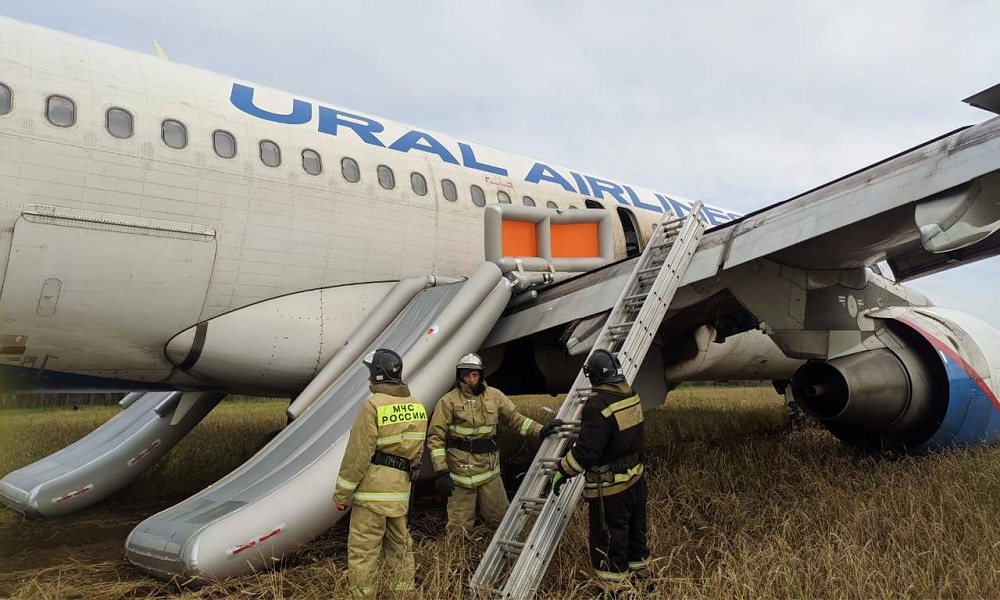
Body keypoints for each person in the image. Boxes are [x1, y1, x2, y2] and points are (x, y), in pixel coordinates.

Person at [427, 352, 563, 536]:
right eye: (467, 375)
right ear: (460, 376)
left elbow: (516, 420)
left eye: (475, 374)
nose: (471, 379)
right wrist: (441, 471)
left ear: (481, 375)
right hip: (460, 472)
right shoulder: (448, 401)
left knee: (500, 519)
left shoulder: (495, 396)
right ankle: (460, 558)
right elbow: (436, 436)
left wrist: (540, 430)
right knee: (458, 527)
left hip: (489, 471)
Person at [550, 349, 649, 591]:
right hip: (636, 479)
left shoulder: (597, 406)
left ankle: (613, 592)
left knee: (609, 541)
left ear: (594, 377)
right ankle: (643, 583)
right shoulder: (632, 395)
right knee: (635, 535)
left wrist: (562, 470)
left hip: (611, 489)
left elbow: (586, 453)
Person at [333, 348, 426, 596]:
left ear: (379, 375)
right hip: (399, 493)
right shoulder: (417, 405)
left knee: (363, 553)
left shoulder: (373, 405)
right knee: (401, 551)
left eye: (370, 373)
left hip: (372, 495)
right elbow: (416, 454)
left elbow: (358, 454)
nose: (368, 379)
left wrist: (342, 494)